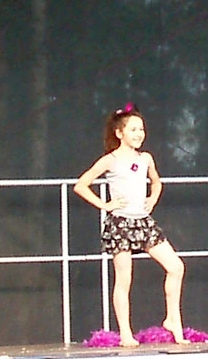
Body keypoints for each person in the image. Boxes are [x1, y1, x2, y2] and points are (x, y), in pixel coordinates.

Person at [74, 103, 189, 346]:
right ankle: (125, 333)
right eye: (133, 129)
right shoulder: (110, 160)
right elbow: (81, 185)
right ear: (120, 133)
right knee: (124, 278)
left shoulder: (146, 158)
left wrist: (152, 199)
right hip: (121, 223)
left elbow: (156, 182)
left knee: (176, 266)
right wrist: (104, 204)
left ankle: (172, 319)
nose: (139, 134)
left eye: (141, 129)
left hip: (143, 221)